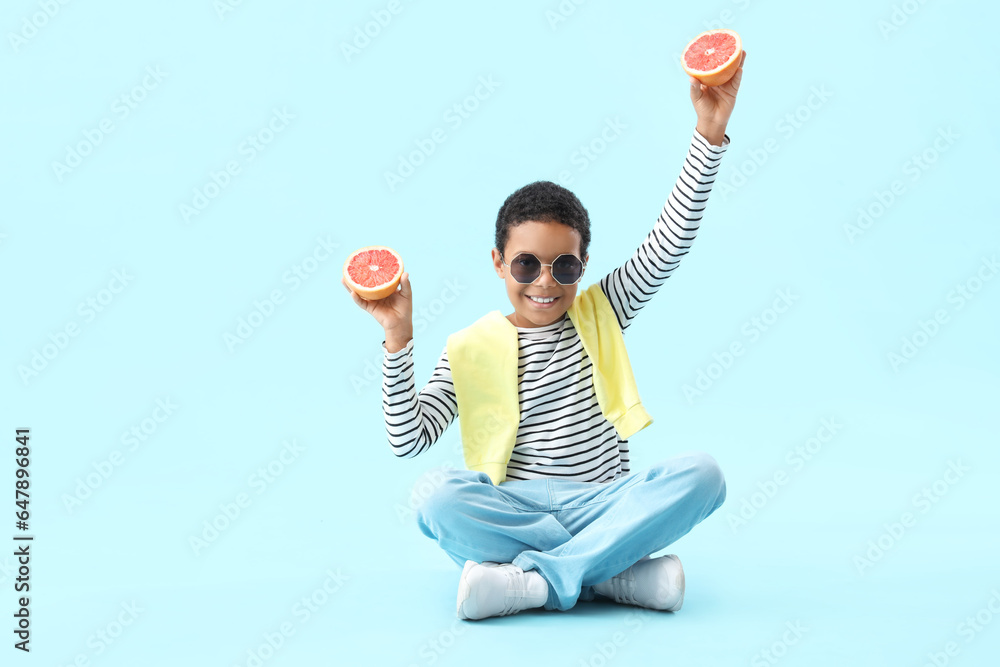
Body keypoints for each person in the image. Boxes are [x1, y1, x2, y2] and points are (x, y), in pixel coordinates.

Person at [343, 52, 746, 620]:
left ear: (583, 265)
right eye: (527, 265)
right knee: (434, 496)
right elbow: (407, 439)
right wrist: (397, 336)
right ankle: (612, 575)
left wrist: (708, 133)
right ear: (499, 263)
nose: (545, 283)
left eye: (565, 266)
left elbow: (672, 238)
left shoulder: (604, 308)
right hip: (514, 504)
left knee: (704, 475)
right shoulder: (468, 348)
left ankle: (535, 582)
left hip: (606, 500)